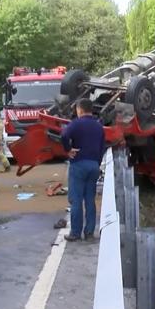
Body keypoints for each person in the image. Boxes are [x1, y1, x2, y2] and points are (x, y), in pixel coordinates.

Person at [61, 99, 105, 242]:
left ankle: (75, 232)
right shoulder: (99, 126)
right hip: (94, 166)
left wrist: (68, 150)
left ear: (79, 110)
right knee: (90, 200)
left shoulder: (76, 124)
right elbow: (102, 147)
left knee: (76, 200)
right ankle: (89, 232)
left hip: (79, 164)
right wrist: (96, 163)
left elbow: (64, 136)